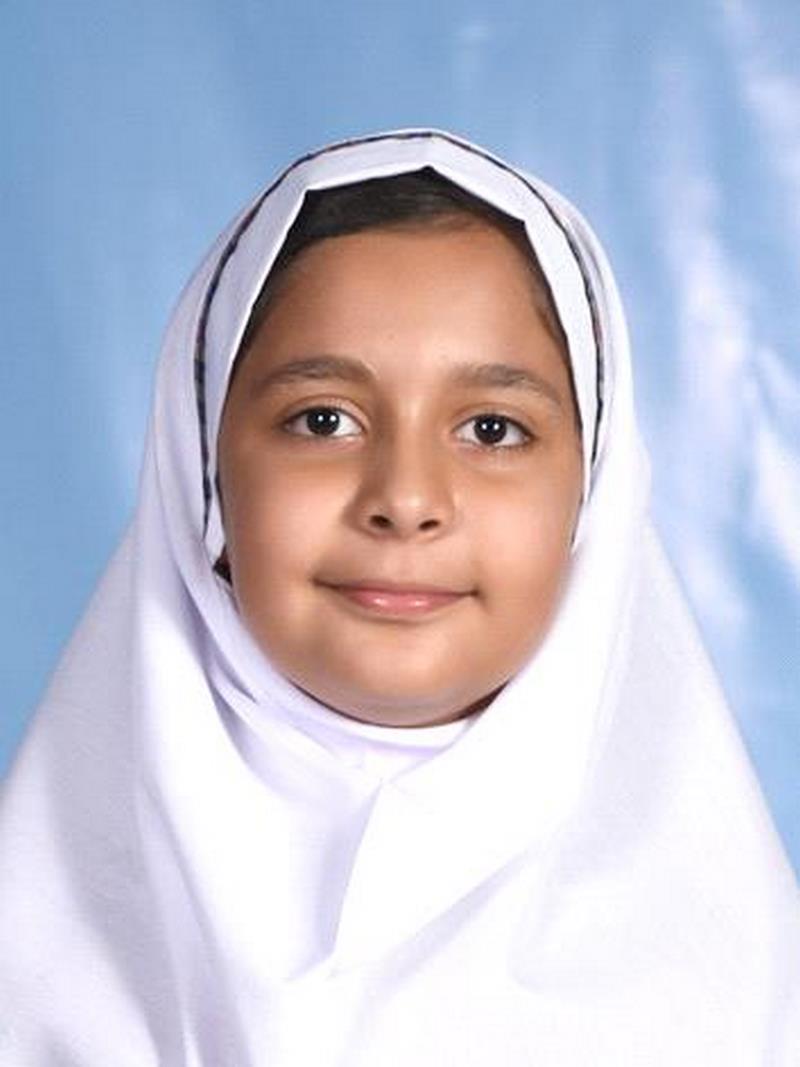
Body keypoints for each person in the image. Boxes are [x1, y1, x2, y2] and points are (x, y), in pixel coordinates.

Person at [1, 129, 797, 1065]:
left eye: (492, 429)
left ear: (592, 493)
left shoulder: (734, 990)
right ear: (202, 472)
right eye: (323, 420)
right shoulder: (32, 949)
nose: (407, 498)